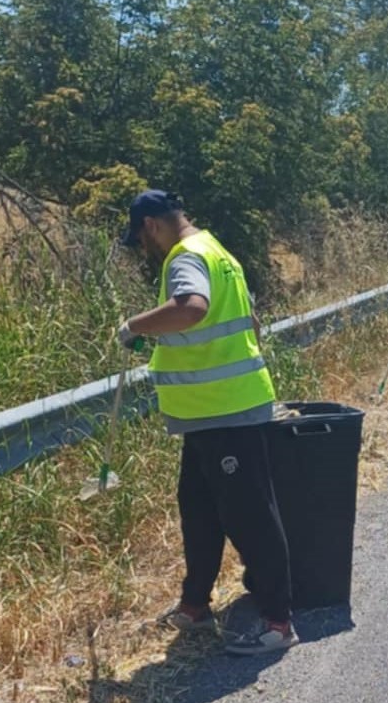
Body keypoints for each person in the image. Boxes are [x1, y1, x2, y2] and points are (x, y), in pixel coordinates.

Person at [115, 189, 297, 656]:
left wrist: (136, 326)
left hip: (225, 412)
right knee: (198, 510)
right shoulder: (218, 252)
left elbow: (191, 307)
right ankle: (195, 605)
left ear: (151, 225)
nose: (144, 249)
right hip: (207, 414)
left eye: (140, 239)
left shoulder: (185, 257)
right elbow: (251, 323)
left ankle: (279, 622)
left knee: (249, 513)